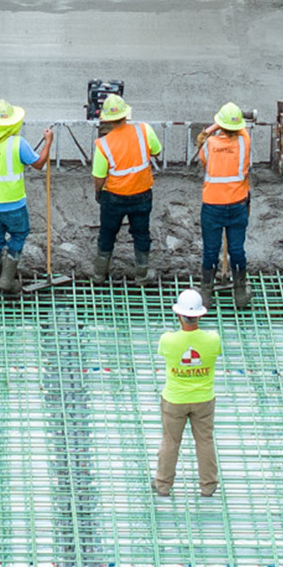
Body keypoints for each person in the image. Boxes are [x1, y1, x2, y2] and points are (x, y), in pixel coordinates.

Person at [0, 101, 52, 299]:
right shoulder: (18, 143)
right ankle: (6, 279)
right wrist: (48, 141)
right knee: (19, 233)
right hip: (13, 202)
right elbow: (39, 164)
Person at [153, 288, 222, 498]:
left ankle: (163, 485)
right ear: (200, 315)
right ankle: (208, 486)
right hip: (203, 400)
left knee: (170, 441)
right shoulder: (212, 339)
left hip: (174, 400)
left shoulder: (168, 340)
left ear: (178, 314)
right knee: (205, 441)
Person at [90, 92, 165, 286]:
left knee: (107, 234)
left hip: (114, 198)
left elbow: (99, 177)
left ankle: (99, 274)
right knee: (141, 234)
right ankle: (141, 275)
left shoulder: (103, 144)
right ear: (126, 114)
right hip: (141, 195)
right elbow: (157, 151)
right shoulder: (144, 130)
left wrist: (99, 193)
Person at [198, 103, 254, 311]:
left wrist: (211, 129)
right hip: (237, 205)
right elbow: (241, 130)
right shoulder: (244, 143)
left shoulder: (209, 144)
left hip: (213, 206)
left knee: (211, 251)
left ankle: (206, 292)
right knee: (237, 250)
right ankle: (240, 292)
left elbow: (204, 160)